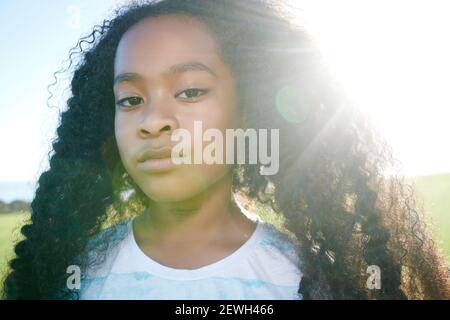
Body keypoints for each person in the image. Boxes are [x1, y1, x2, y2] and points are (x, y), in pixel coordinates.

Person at [3, 0, 450, 300]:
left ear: (247, 112)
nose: (153, 119)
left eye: (191, 91)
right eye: (130, 100)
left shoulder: (309, 283)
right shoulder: (70, 278)